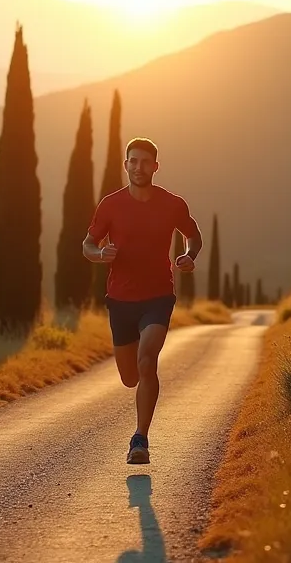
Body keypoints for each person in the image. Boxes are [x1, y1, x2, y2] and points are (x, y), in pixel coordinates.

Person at [82, 137, 201, 464]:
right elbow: (87, 243)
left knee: (147, 360)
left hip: (158, 296)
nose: (139, 167)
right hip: (120, 299)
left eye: (145, 162)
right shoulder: (110, 205)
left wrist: (189, 255)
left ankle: (140, 439)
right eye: (133, 161)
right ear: (126, 165)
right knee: (130, 377)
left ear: (155, 167)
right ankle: (140, 427)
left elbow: (193, 235)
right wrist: (99, 255)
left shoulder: (172, 204)